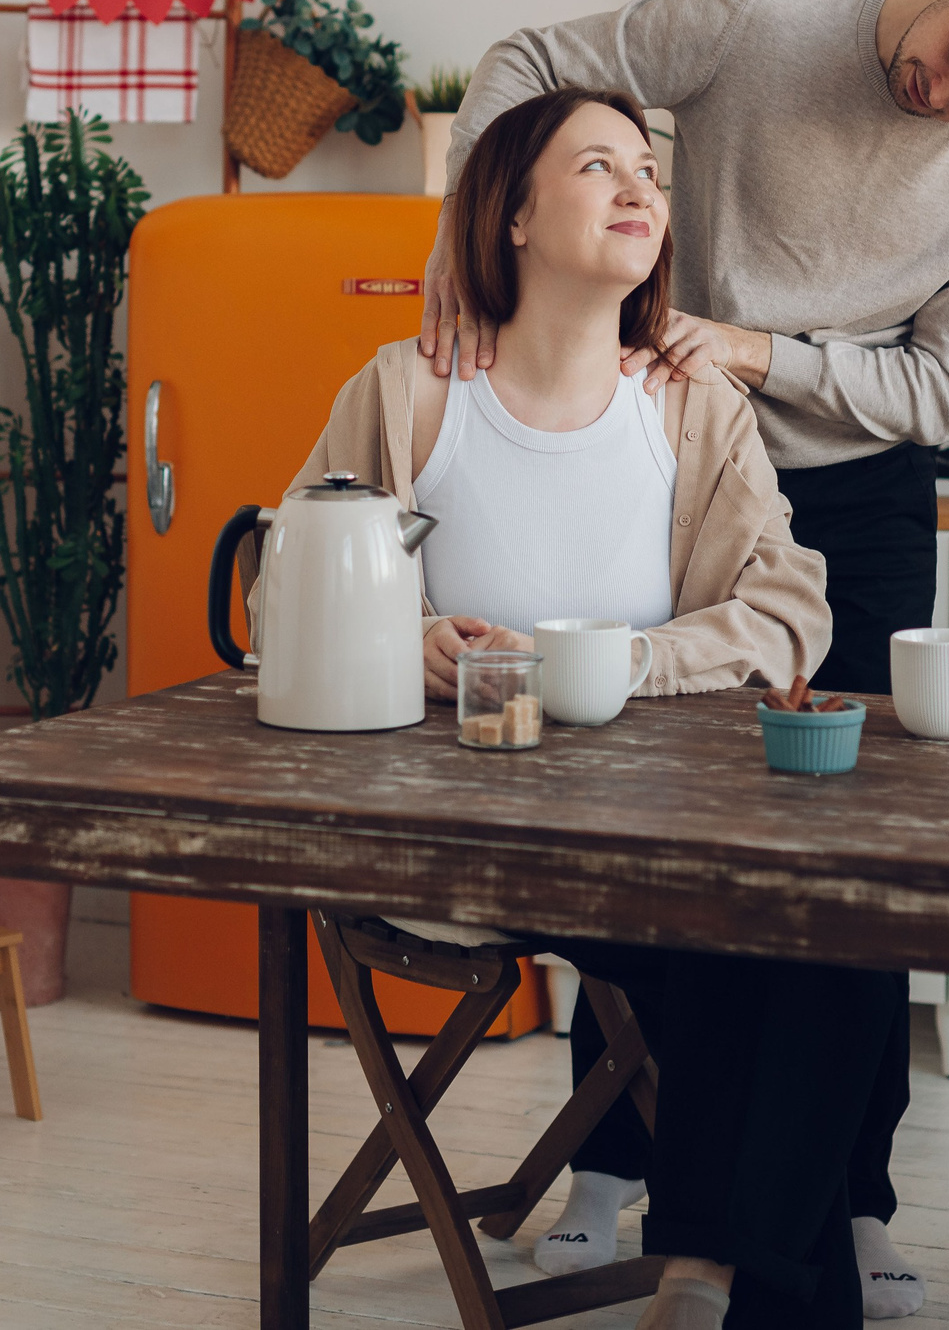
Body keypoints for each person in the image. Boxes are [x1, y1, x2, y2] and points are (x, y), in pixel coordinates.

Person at [421, 0, 949, 1318]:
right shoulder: (755, 19)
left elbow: (939, 391)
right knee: (653, 806)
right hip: (672, 451)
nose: (946, 105)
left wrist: (752, 348)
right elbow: (524, 63)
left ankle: (847, 1199)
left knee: (853, 858)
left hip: (859, 490)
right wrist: (463, 261)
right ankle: (614, 1163)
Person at [282, 86, 898, 1330]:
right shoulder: (409, 393)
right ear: (510, 215)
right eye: (596, 166)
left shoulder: (690, 407)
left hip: (663, 842)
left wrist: (626, 662)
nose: (637, 190)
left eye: (647, 174)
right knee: (758, 935)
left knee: (830, 925)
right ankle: (733, 1281)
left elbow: (791, 609)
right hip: (459, 843)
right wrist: (403, 639)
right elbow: (284, 589)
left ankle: (704, 1280)